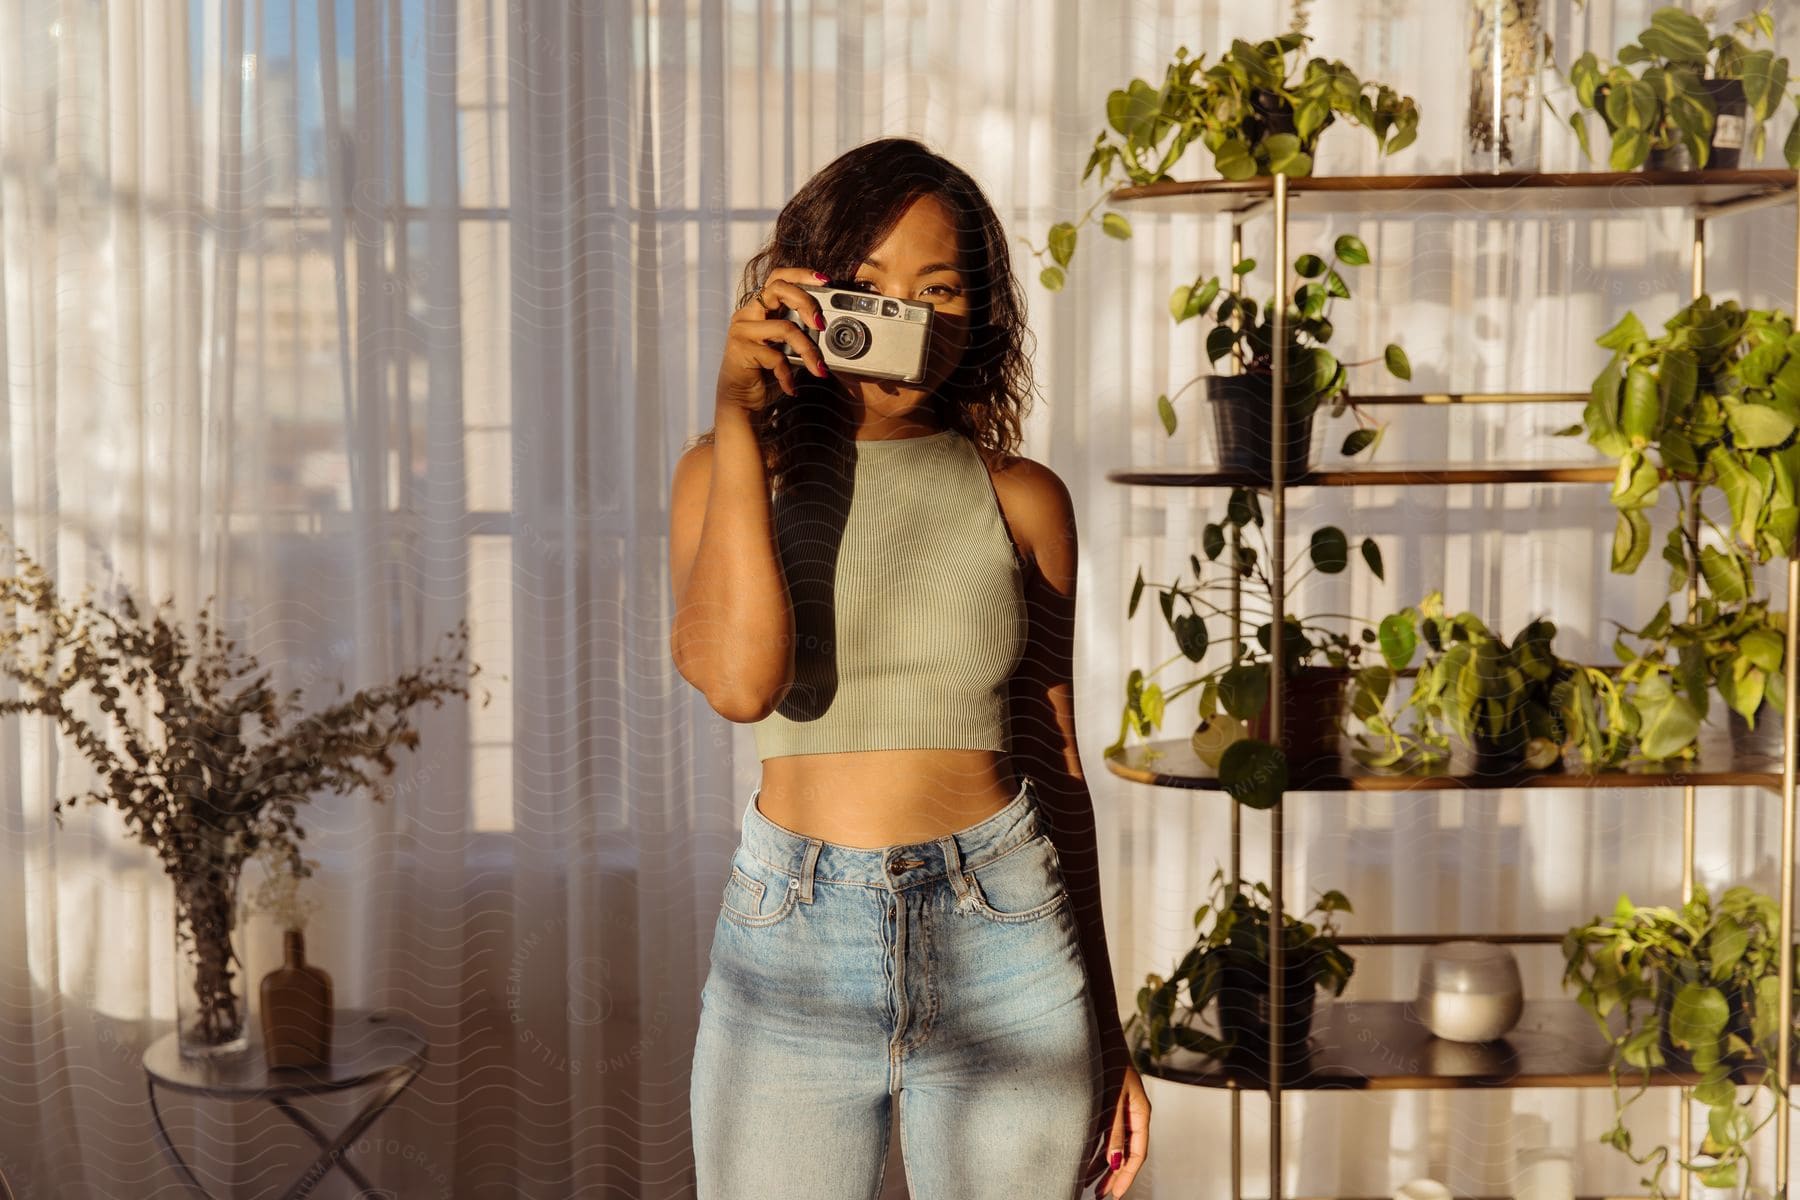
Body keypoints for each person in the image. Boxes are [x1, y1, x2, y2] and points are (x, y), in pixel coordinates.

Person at [670, 136, 1150, 1200]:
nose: (906, 320)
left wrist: (1109, 1029)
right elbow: (741, 684)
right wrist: (738, 413)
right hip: (791, 939)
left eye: (938, 290)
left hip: (1007, 930)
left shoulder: (1023, 496)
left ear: (977, 316)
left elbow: (1057, 759)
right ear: (807, 289)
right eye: (871, 286)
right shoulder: (723, 471)